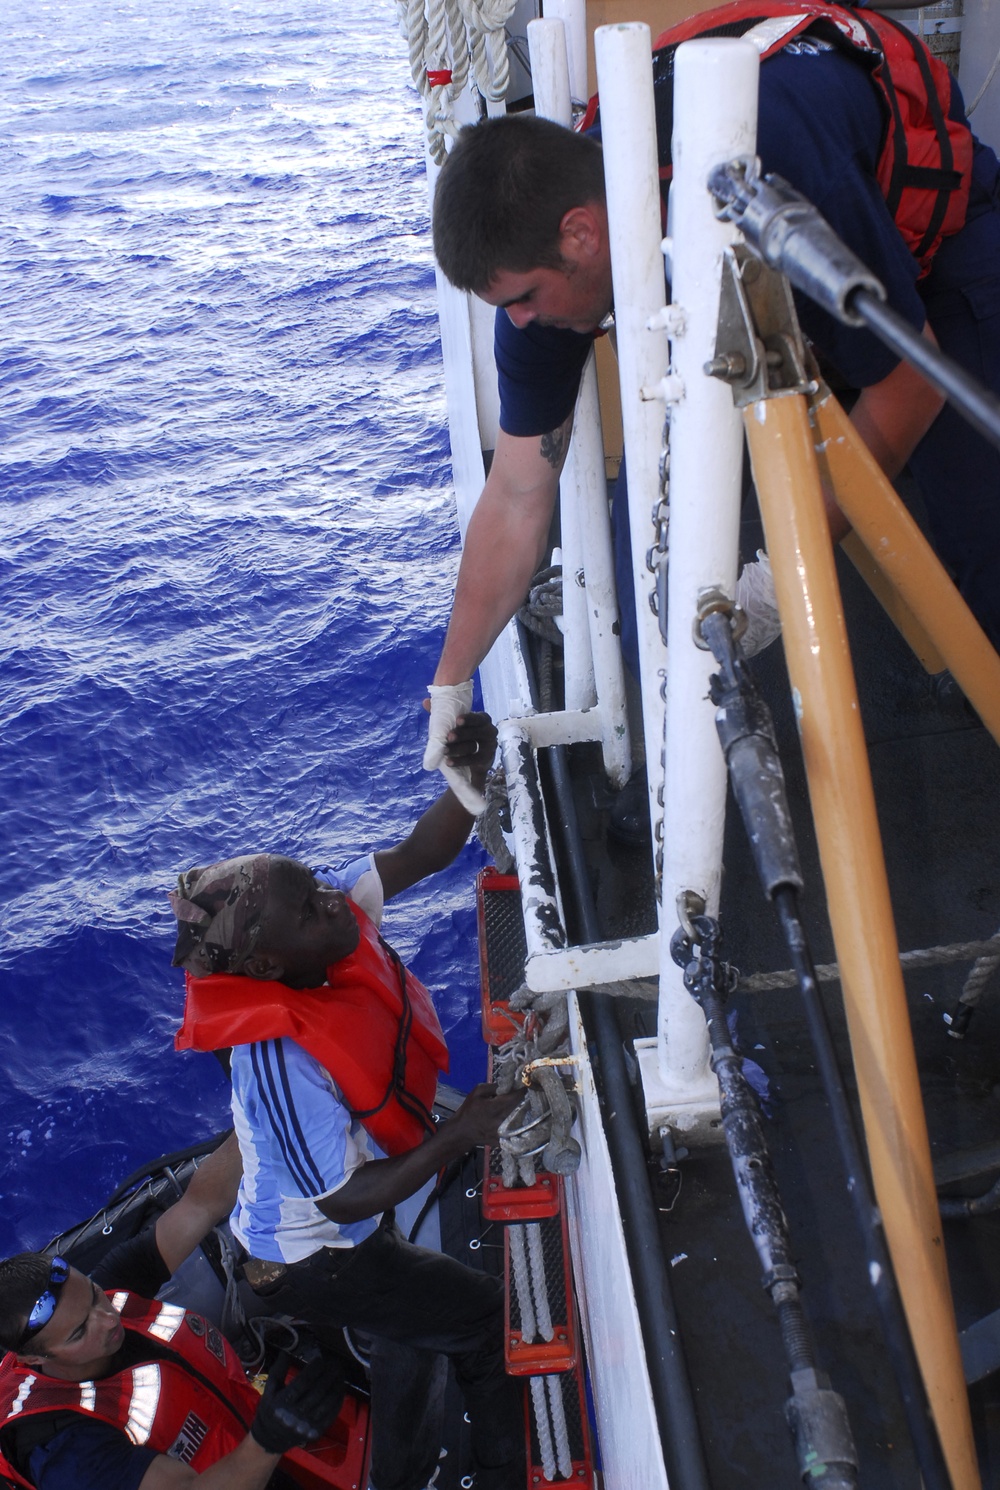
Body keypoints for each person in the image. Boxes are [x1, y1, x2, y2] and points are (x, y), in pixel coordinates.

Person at [425, 0, 1000, 805]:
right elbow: (520, 491)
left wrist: (777, 581)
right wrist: (450, 686)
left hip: (927, 248)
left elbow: (907, 382)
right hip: (788, 289)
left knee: (984, 538)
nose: (518, 324)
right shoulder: (545, 266)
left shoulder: (777, 158)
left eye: (522, 298)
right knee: (645, 593)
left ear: (582, 236)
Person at [168, 710, 525, 1490]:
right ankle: (505, 1476)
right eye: (312, 907)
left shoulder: (326, 926)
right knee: (481, 1323)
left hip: (342, 1227)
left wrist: (468, 776)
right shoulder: (283, 1064)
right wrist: (463, 1131)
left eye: (321, 886)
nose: (334, 901)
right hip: (311, 1259)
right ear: (265, 964)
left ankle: (397, 1367)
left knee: (409, 1314)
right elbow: (340, 1201)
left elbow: (424, 851)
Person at [0, 1133, 346, 1490]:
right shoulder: (70, 1452)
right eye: (79, 1332)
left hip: (247, 1443)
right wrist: (267, 1442)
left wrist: (263, 1120)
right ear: (31, 1358)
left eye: (93, 1295)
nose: (108, 1319)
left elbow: (201, 1204)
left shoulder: (112, 1290)